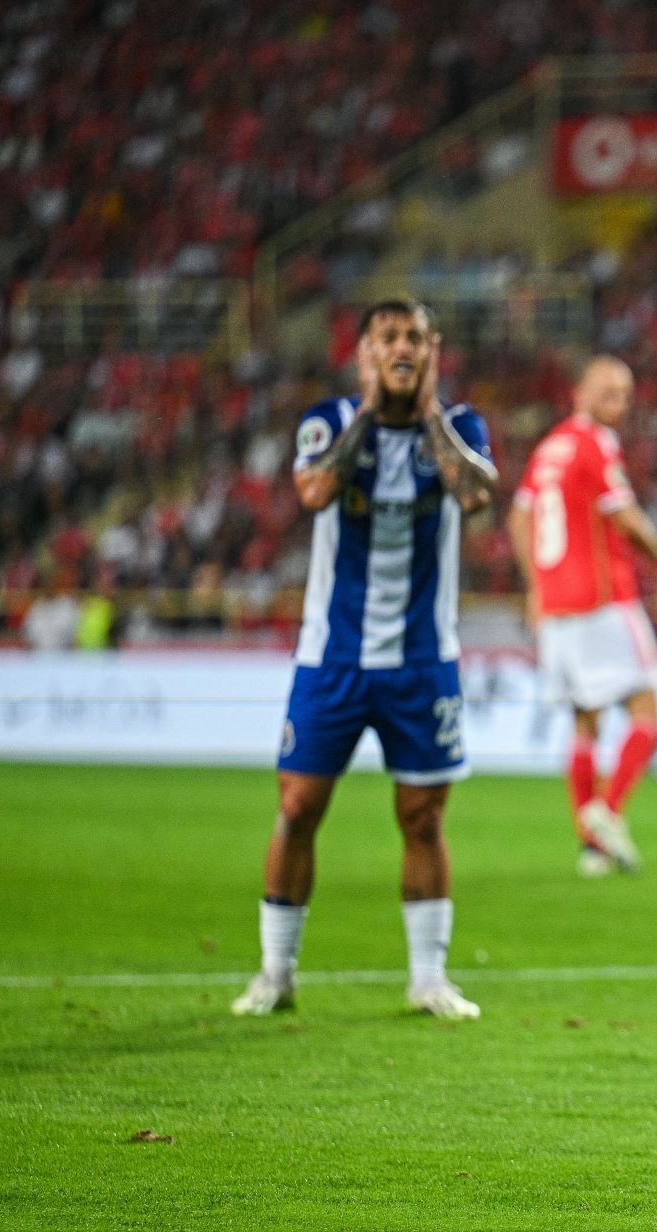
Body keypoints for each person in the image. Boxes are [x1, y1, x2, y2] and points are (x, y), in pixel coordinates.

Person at [231, 300, 496, 1020]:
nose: (402, 348)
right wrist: (372, 412)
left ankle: (428, 978)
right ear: (364, 354)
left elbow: (476, 495)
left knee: (422, 819)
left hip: (421, 660)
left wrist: (427, 410)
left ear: (433, 350)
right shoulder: (329, 420)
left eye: (414, 338)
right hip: (332, 658)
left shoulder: (461, 427)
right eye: (388, 338)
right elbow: (314, 489)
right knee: (296, 808)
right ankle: (276, 972)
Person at [508, 356, 657, 876]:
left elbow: (519, 516)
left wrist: (536, 587)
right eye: (607, 392)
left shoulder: (549, 448)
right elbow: (621, 512)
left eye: (624, 394)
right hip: (605, 599)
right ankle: (607, 811)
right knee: (647, 715)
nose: (618, 404)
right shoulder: (596, 442)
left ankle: (590, 847)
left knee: (585, 723)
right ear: (578, 392)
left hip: (558, 607)